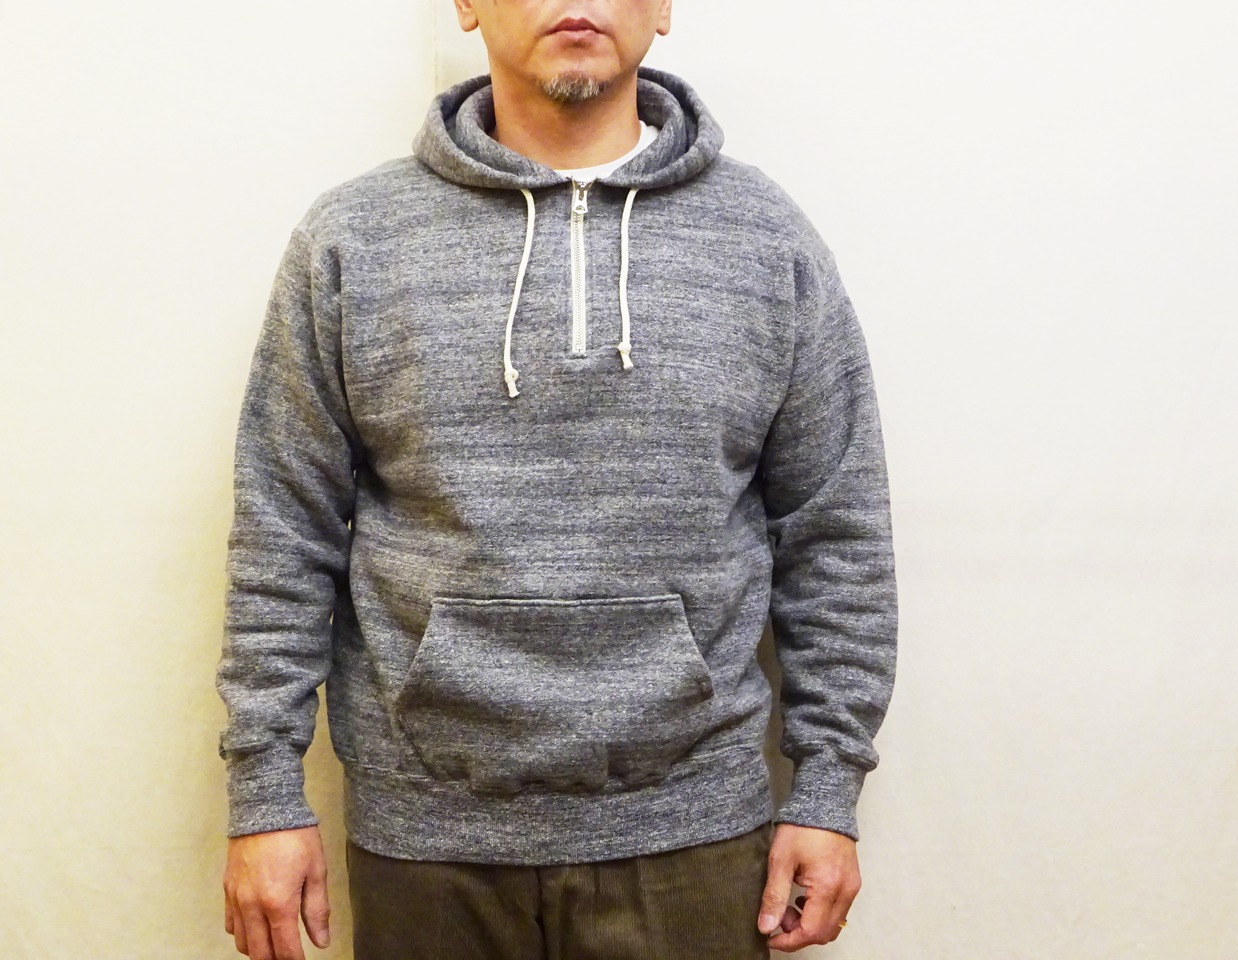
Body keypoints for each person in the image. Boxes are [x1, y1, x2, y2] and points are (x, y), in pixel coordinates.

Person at [216, 1, 899, 958]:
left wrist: (827, 788)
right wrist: (264, 793)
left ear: (664, 7)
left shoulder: (764, 239)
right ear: (465, 3)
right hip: (427, 842)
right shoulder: (353, 240)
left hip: (695, 834)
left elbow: (836, 531)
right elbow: (284, 532)